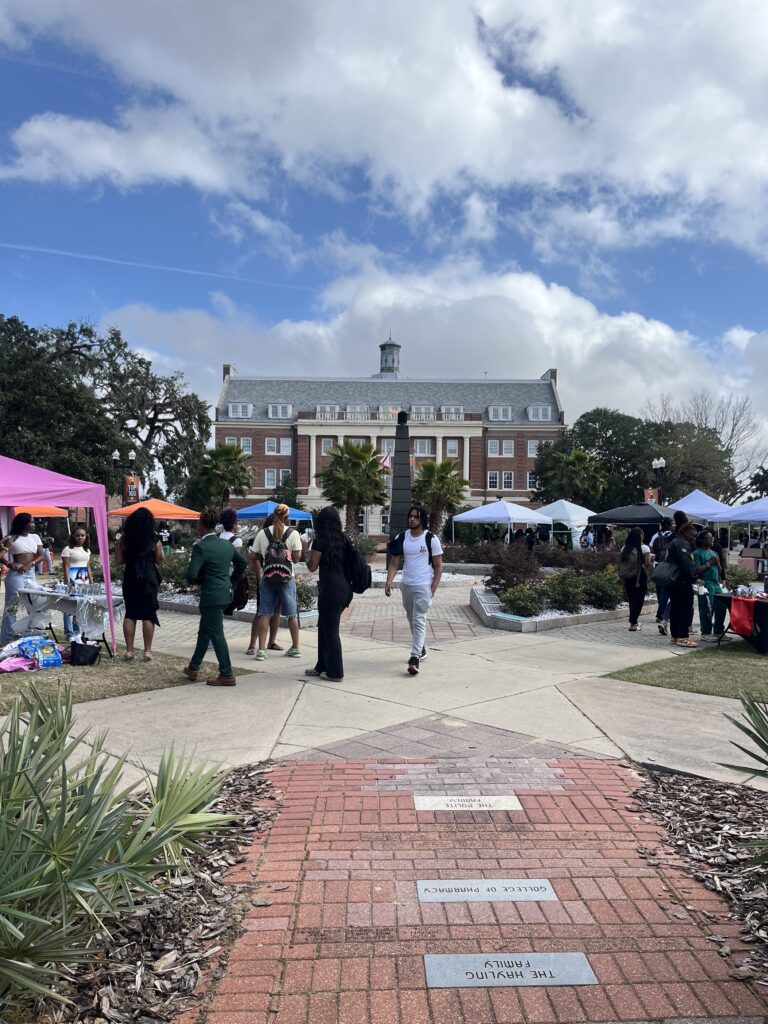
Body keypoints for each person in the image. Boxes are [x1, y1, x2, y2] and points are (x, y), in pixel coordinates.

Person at [385, 504, 444, 675]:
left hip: (424, 585)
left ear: (422, 519)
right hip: (407, 585)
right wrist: (389, 581)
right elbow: (395, 562)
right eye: (410, 516)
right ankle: (422, 649)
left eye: (416, 517)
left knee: (419, 619)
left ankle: (414, 657)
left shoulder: (431, 539)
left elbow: (439, 567)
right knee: (411, 618)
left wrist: (432, 589)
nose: (411, 519)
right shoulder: (402, 537)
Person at [305, 506, 353, 681]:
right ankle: (322, 665)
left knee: (331, 630)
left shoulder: (320, 541)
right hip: (344, 589)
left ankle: (335, 672)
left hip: (330, 590)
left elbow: (312, 566)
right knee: (324, 626)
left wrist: (305, 551)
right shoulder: (344, 539)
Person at [250, 503, 303, 661]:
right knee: (292, 615)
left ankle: (261, 650)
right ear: (287, 517)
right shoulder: (293, 533)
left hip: (267, 578)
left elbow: (253, 556)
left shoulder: (263, 533)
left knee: (265, 614)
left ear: (273, 515)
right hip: (287, 578)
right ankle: (295, 648)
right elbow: (297, 557)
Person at [116, 507, 164, 661]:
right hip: (148, 579)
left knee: (130, 613)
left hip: (131, 577)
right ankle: (147, 651)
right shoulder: (153, 537)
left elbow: (118, 560)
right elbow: (159, 559)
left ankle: (129, 651)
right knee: (148, 615)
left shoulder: (124, 538)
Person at [0, 513, 44, 645]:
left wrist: (29, 564)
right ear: (24, 524)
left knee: (37, 604)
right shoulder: (11, 537)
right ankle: (6, 640)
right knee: (11, 608)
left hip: (30, 573)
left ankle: (30, 633)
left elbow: (41, 555)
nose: (34, 524)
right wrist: (8, 563)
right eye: (31, 522)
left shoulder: (35, 537)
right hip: (16, 574)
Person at [665, 520, 700, 648]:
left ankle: (675, 636)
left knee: (675, 608)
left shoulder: (674, 542)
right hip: (682, 581)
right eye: (692, 535)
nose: (694, 538)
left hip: (674, 581)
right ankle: (683, 637)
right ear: (684, 532)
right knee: (685, 609)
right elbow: (686, 565)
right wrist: (694, 577)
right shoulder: (681, 544)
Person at [692, 531, 727, 640]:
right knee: (707, 608)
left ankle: (718, 631)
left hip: (716, 583)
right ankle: (705, 633)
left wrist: (717, 563)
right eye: (708, 538)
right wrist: (709, 563)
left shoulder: (714, 553)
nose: (712, 540)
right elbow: (696, 570)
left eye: (712, 538)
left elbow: (720, 570)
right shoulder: (697, 553)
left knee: (722, 606)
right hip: (705, 583)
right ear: (702, 540)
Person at [61, 525, 93, 641]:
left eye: (82, 535)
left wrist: (91, 581)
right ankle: (69, 633)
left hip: (83, 579)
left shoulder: (87, 550)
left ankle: (77, 632)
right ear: (73, 536)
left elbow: (88, 566)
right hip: (72, 579)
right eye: (78, 535)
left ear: (86, 537)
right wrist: (67, 581)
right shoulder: (68, 549)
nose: (80, 537)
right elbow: (66, 566)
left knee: (79, 607)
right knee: (69, 607)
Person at [618, 527, 652, 631]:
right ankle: (633, 623)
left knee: (632, 599)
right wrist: (651, 559)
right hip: (639, 576)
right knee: (639, 599)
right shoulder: (645, 548)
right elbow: (647, 564)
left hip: (627, 576)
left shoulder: (625, 548)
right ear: (641, 536)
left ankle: (634, 621)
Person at [650, 517, 674, 634]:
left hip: (658, 566)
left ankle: (660, 614)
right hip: (669, 567)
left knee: (661, 593)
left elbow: (652, 549)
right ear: (669, 525)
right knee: (670, 593)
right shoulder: (673, 536)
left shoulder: (656, 535)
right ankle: (665, 614)